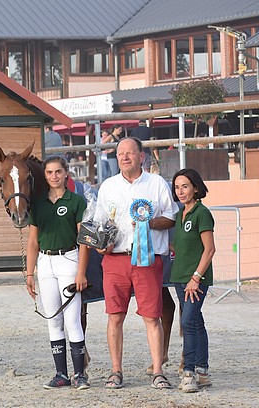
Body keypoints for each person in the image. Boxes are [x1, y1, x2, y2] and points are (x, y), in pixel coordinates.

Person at [93, 137, 177, 389]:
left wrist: (148, 223)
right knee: (115, 316)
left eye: (130, 153)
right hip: (115, 259)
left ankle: (158, 370)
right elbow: (99, 222)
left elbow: (171, 217)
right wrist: (99, 243)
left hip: (147, 259)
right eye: (120, 154)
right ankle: (116, 371)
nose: (125, 157)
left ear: (142, 156)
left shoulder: (157, 183)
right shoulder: (107, 186)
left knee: (152, 317)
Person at [25, 156, 91, 390]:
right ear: (45, 176)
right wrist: (29, 273)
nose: (54, 176)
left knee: (73, 320)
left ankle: (79, 374)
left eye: (58, 172)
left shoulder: (76, 202)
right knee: (53, 320)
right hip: (45, 261)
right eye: (49, 172)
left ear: (66, 174)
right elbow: (33, 242)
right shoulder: (38, 204)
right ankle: (60, 373)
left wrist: (81, 271)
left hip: (69, 259)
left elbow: (84, 240)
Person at [170, 168, 216, 392]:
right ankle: (203, 371)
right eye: (177, 187)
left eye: (185, 186)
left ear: (196, 188)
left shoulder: (201, 213)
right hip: (179, 277)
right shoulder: (180, 214)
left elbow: (209, 249)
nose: (180, 191)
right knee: (195, 320)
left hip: (195, 280)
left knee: (187, 321)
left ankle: (188, 373)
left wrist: (196, 278)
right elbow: (180, 245)